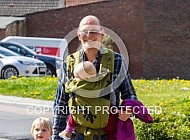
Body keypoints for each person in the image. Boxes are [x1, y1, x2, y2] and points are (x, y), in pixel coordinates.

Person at [52, 15, 137, 140]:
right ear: (79, 35)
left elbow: (130, 95)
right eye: (85, 31)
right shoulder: (68, 64)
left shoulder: (117, 61)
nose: (89, 35)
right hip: (77, 134)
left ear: (102, 34)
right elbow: (61, 102)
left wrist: (128, 109)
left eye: (94, 31)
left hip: (107, 134)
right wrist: (56, 135)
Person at [59, 60, 117, 140]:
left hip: (81, 115)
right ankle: (112, 137)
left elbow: (67, 89)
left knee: (74, 113)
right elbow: (112, 99)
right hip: (104, 116)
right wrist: (112, 106)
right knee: (111, 125)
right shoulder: (102, 84)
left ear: (87, 78)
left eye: (77, 77)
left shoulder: (76, 87)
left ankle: (68, 130)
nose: (75, 79)